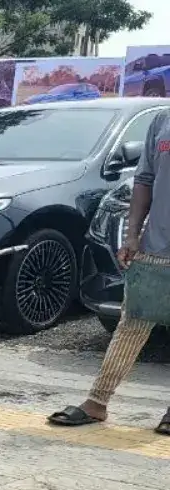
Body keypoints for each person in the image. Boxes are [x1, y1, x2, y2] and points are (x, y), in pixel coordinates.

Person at [49, 110, 170, 435]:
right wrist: (132, 235)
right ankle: (97, 402)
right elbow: (145, 179)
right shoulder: (162, 121)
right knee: (132, 323)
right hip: (157, 246)